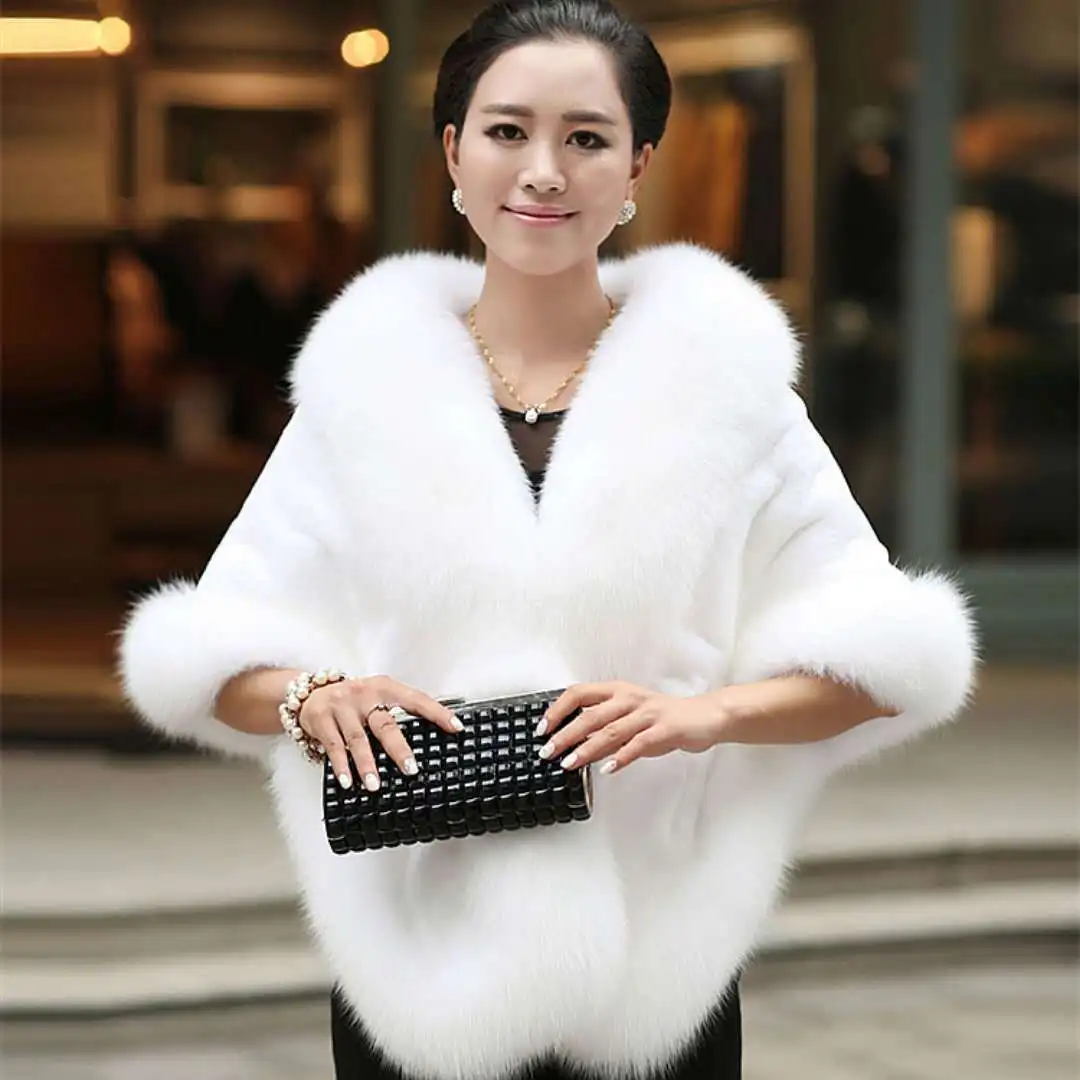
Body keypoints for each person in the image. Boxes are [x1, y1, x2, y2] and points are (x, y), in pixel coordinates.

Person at [118, 2, 977, 1078]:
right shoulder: (366, 395)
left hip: (654, 970)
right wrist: (310, 696)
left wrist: (704, 715)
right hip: (421, 966)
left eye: (586, 138)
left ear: (638, 166)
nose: (543, 171)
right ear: (453, 153)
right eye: (507, 130)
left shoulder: (727, 397)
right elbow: (210, 658)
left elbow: (888, 663)